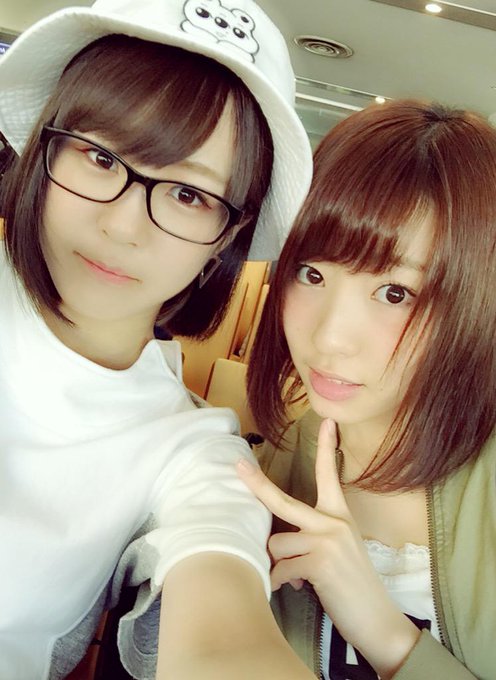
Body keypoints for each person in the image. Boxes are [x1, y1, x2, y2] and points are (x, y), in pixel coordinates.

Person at [0, 0, 315, 678]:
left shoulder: (193, 452)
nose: (122, 226)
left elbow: (225, 633)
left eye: (187, 195)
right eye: (99, 156)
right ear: (49, 143)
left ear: (228, 235)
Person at [238, 99, 496, 679]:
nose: (330, 338)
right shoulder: (268, 471)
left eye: (395, 293)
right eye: (312, 274)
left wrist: (386, 635)